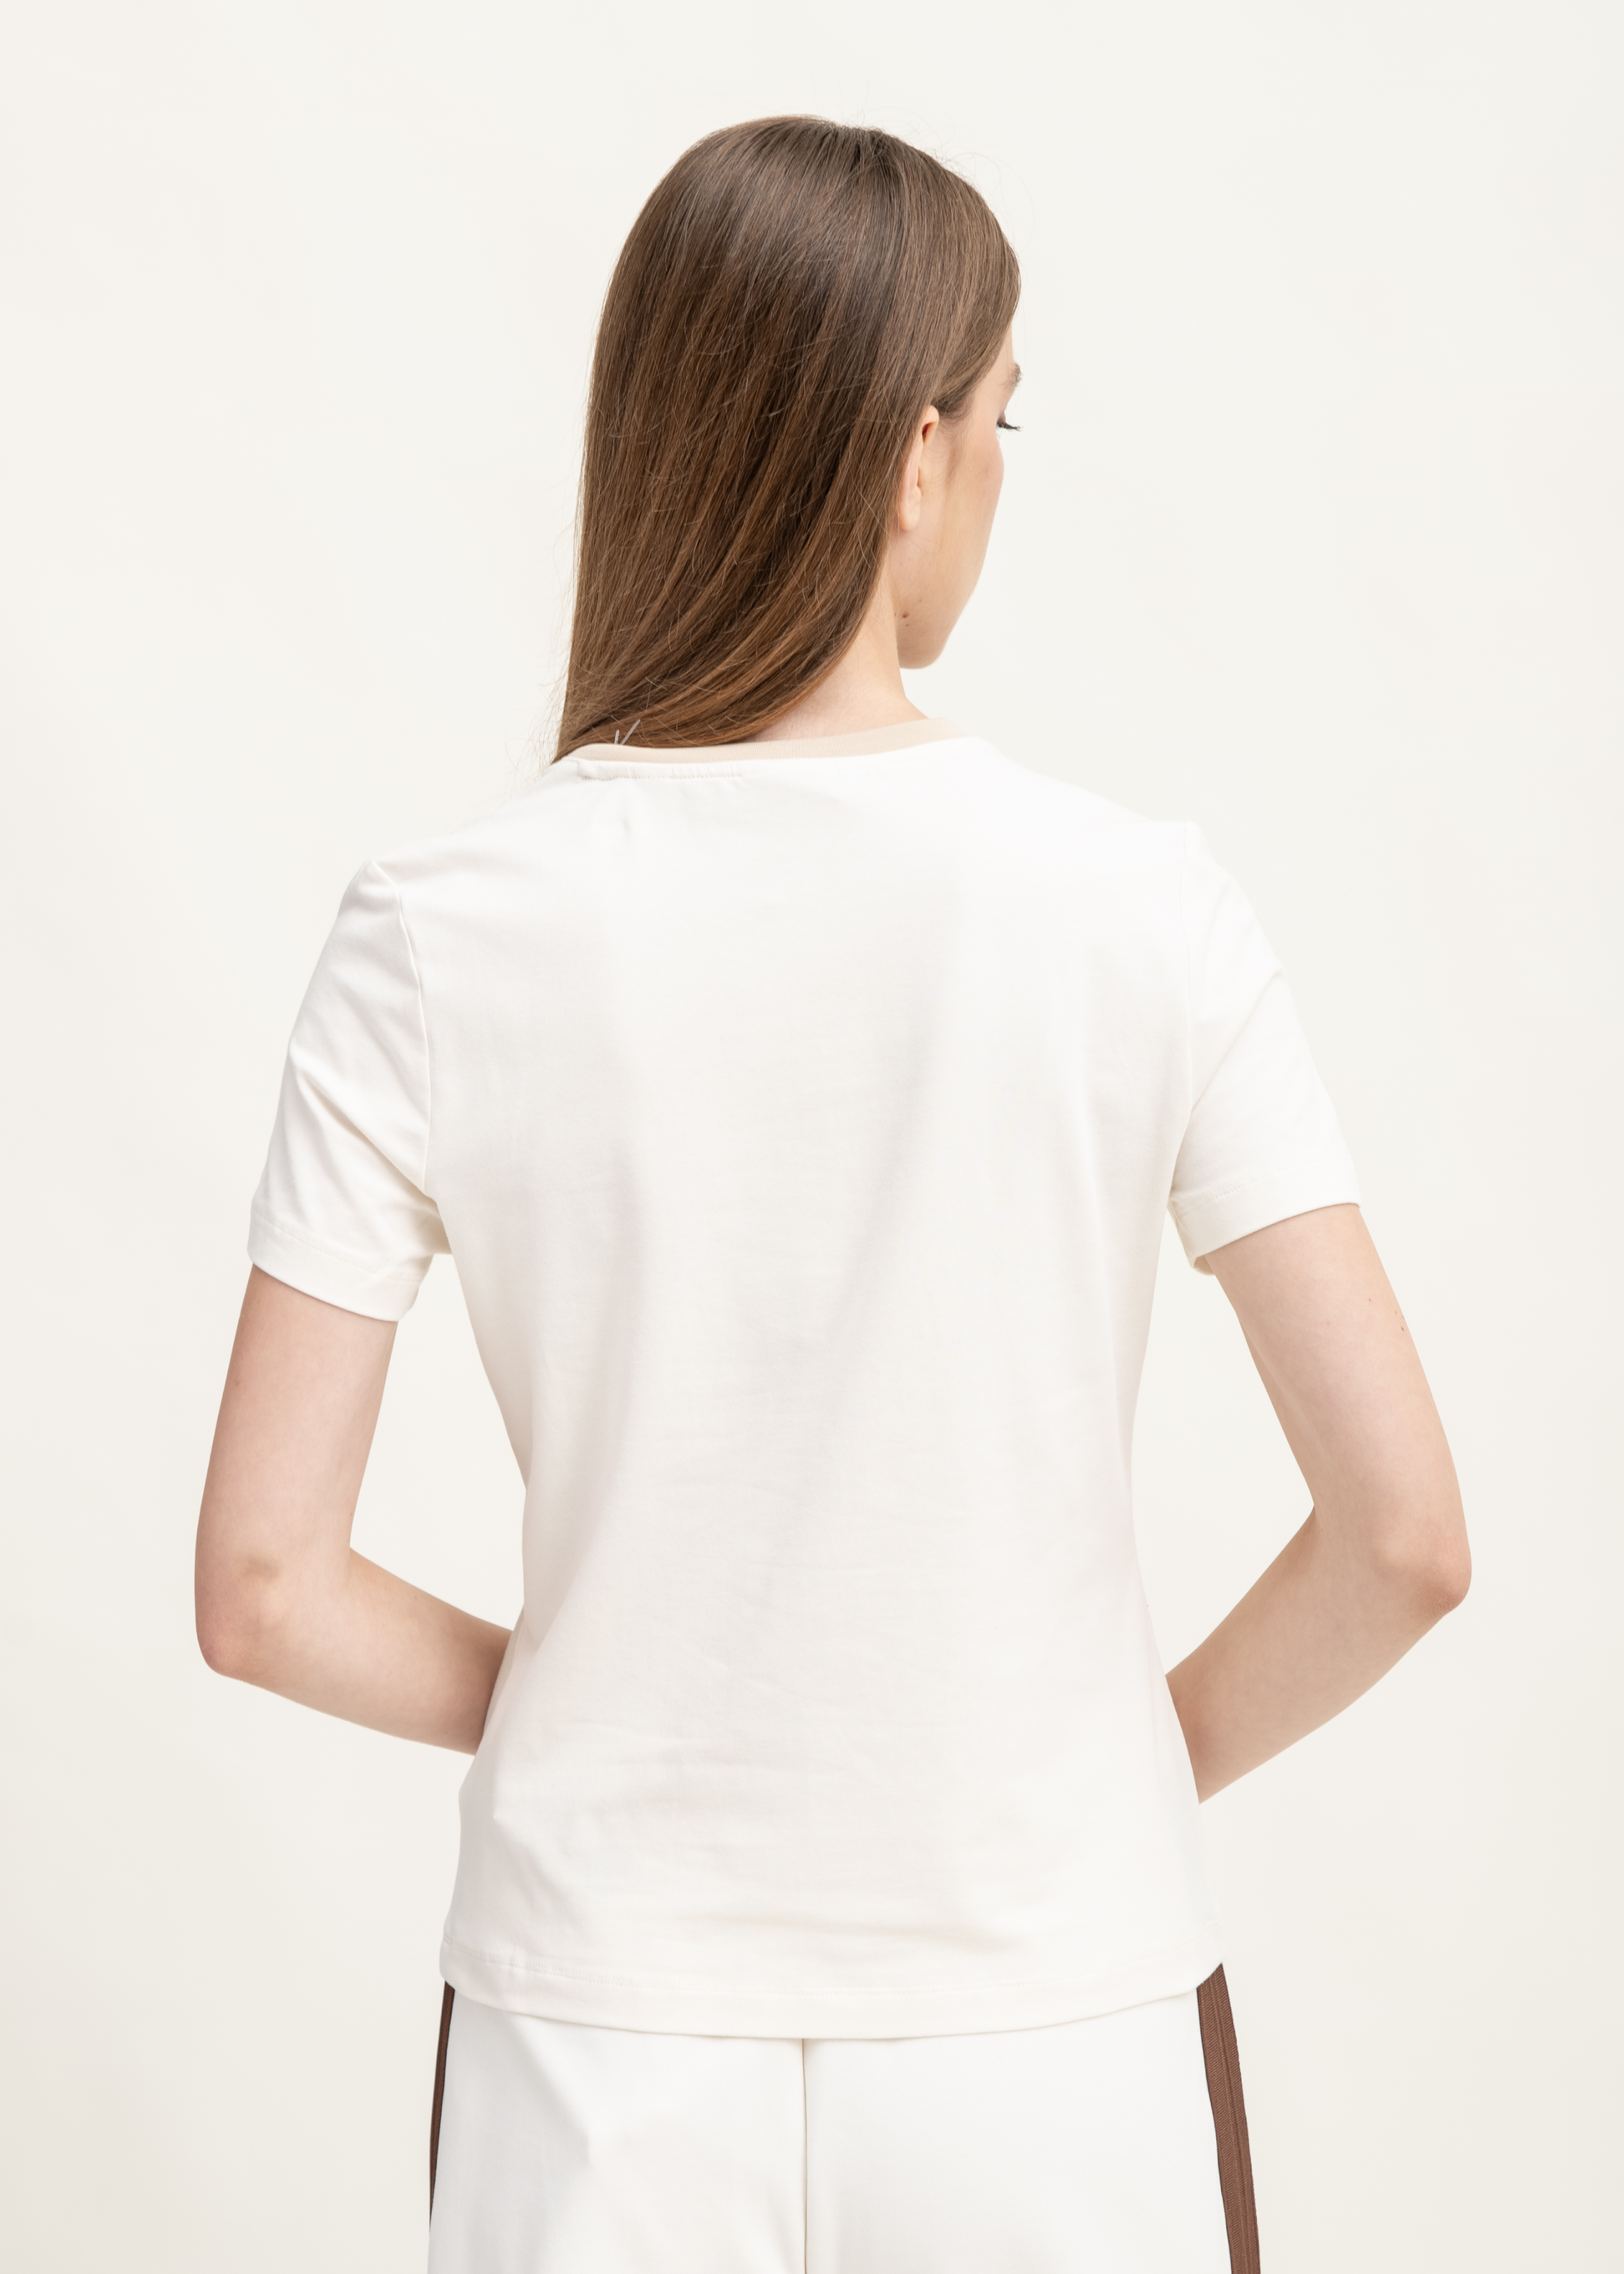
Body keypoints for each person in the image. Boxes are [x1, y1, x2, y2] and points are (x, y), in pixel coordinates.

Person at [195, 116, 1469, 2273]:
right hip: (1060, 2013)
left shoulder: (436, 930)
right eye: (1000, 419)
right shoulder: (1139, 908)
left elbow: (262, 1582)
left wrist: (616, 1703)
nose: (997, 475)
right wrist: (1098, 1768)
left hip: (591, 2028)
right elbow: (1405, 1536)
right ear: (911, 461)